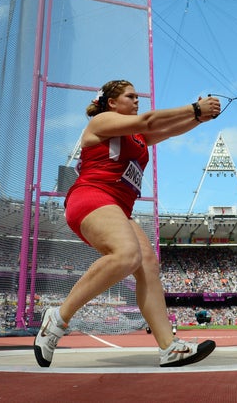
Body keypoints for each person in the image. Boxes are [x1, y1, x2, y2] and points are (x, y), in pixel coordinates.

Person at [34, 79, 220, 368]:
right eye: (130, 96)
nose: (137, 101)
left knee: (147, 264)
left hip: (118, 208)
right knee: (126, 254)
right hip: (91, 196)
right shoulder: (102, 121)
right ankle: (57, 318)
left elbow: (166, 131)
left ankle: (169, 348)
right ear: (111, 102)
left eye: (137, 97)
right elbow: (149, 119)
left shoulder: (137, 135)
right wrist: (194, 107)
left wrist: (197, 118)